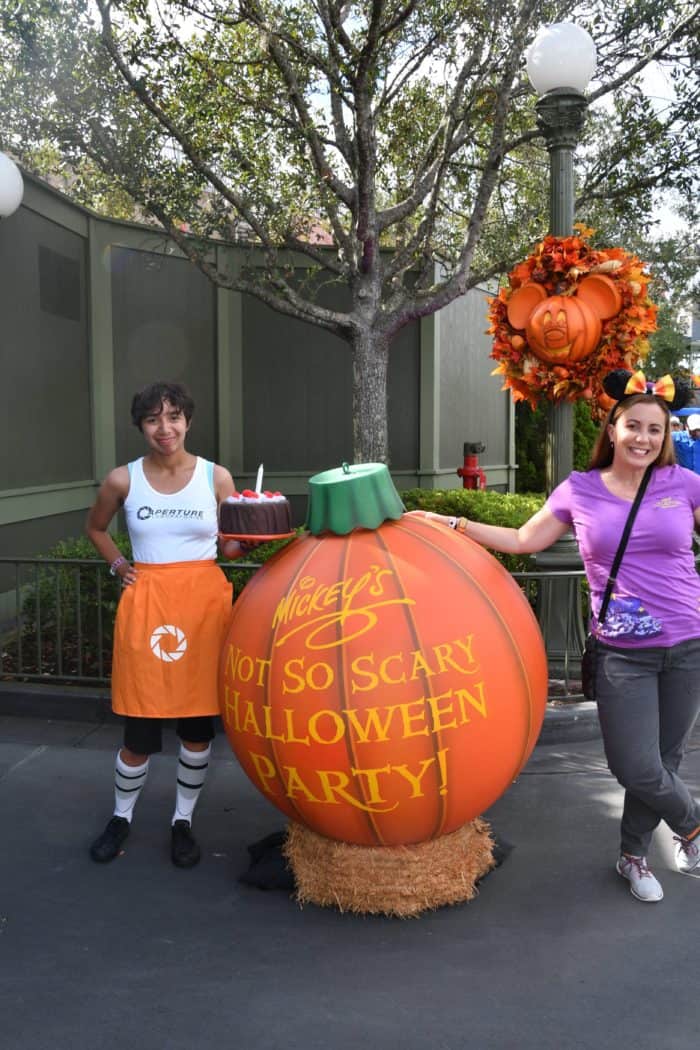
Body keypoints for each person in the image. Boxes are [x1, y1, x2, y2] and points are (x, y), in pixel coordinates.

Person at [413, 369, 700, 903]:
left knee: (666, 761)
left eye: (654, 430)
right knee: (634, 765)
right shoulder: (581, 490)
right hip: (623, 655)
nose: (643, 438)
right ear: (612, 429)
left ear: (666, 438)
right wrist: (450, 522)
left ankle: (634, 856)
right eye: (632, 426)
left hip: (688, 646)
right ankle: (693, 823)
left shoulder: (683, 485)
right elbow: (523, 540)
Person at [86, 381, 246, 867]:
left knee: (197, 727)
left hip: (202, 606)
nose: (165, 428)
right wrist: (119, 565)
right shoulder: (123, 480)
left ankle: (183, 821)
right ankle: (121, 817)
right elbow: (95, 528)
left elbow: (231, 546)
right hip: (148, 603)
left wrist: (255, 537)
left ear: (187, 422)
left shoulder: (217, 478)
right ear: (141, 427)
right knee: (139, 728)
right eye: (153, 419)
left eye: (173, 416)